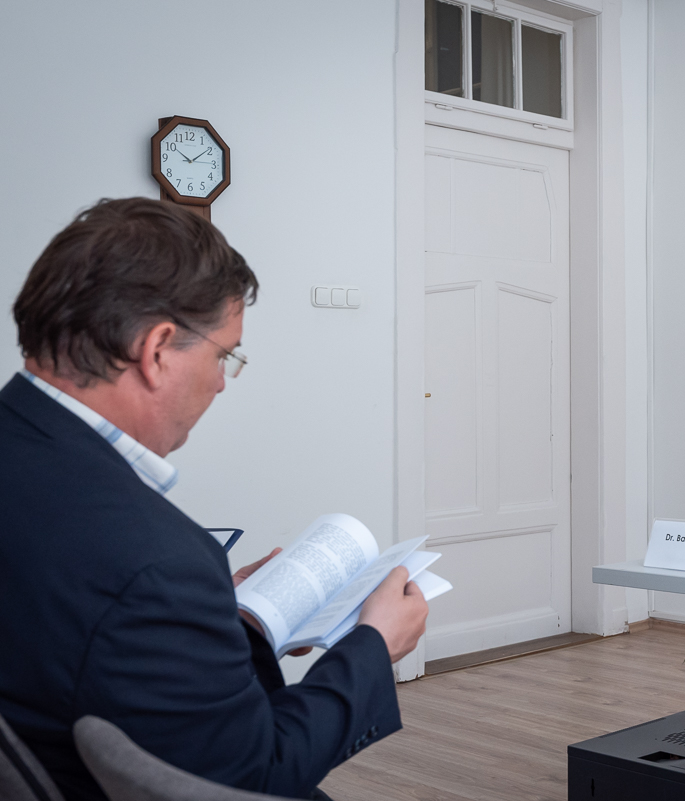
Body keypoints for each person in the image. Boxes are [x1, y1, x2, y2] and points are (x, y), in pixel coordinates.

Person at [0, 198, 428, 800]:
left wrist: (223, 617)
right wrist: (374, 647)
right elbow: (257, 777)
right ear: (157, 350)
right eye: (223, 354)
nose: (223, 382)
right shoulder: (157, 564)